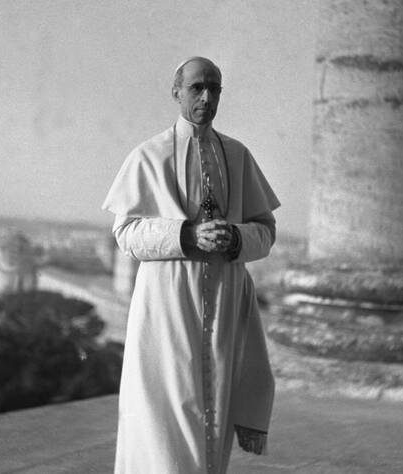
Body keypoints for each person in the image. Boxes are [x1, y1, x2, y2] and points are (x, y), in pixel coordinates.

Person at [102, 56, 280, 474]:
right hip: (167, 307)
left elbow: (266, 231)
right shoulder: (148, 156)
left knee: (214, 413)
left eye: (215, 88)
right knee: (163, 423)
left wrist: (237, 237)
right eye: (198, 87)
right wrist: (186, 235)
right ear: (176, 91)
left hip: (225, 299)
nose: (207, 97)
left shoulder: (238, 156)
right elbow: (126, 233)